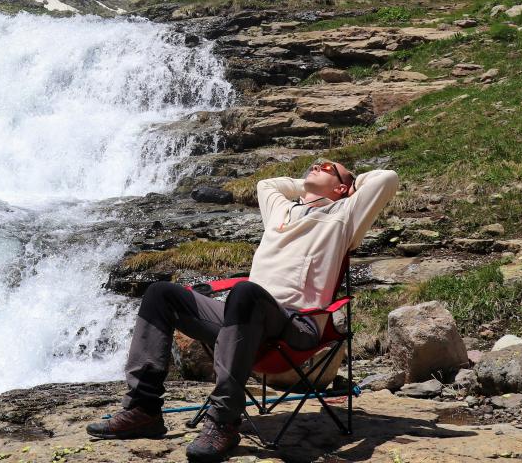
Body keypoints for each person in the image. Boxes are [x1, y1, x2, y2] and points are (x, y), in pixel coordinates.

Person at [88, 161, 400, 462]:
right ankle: (144, 410)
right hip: (242, 318)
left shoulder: (346, 215)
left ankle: (223, 421)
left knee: (245, 292)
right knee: (160, 294)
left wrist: (348, 188)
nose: (318, 166)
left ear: (344, 188)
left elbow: (386, 178)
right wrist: (306, 187)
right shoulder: (281, 210)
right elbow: (266, 184)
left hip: (296, 324)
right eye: (315, 165)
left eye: (329, 168)